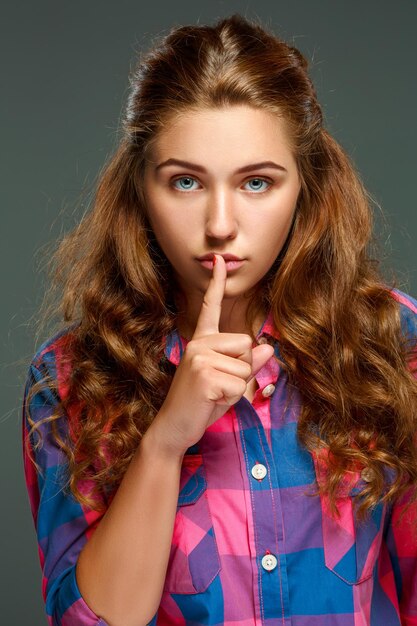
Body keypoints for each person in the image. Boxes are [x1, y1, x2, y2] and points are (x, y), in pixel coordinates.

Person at [22, 12, 417, 626]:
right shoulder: (72, 377)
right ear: (140, 189)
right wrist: (165, 443)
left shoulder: (393, 345)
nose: (220, 225)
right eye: (185, 182)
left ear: (305, 187)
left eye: (257, 183)